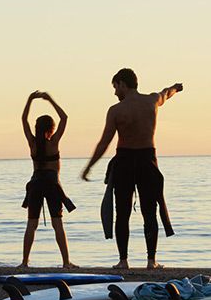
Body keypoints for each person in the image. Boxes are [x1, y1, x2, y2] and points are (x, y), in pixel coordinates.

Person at [80, 69, 183, 269]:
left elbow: (104, 142)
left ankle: (123, 261)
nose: (114, 93)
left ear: (122, 84)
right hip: (147, 160)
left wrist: (89, 166)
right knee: (149, 212)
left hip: (125, 160)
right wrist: (175, 89)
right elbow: (165, 93)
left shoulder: (116, 110)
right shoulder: (152, 101)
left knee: (123, 212)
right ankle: (151, 261)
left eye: (115, 87)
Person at [20, 91, 76, 269]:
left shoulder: (33, 143)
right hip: (52, 185)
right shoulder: (54, 142)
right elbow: (64, 117)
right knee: (57, 223)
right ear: (51, 130)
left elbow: (23, 119)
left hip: (36, 185)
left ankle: (24, 262)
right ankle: (66, 262)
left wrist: (30, 100)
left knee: (32, 224)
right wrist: (50, 99)